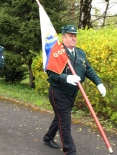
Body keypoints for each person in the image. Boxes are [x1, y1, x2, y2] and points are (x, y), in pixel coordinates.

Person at [42, 25, 106, 155]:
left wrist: (99, 83)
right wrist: (66, 77)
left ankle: (48, 137)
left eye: (75, 35)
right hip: (58, 93)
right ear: (63, 37)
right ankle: (70, 151)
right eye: (70, 36)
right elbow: (51, 73)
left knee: (60, 117)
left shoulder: (80, 53)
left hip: (72, 93)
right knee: (65, 123)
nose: (73, 38)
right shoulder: (58, 53)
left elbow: (88, 69)